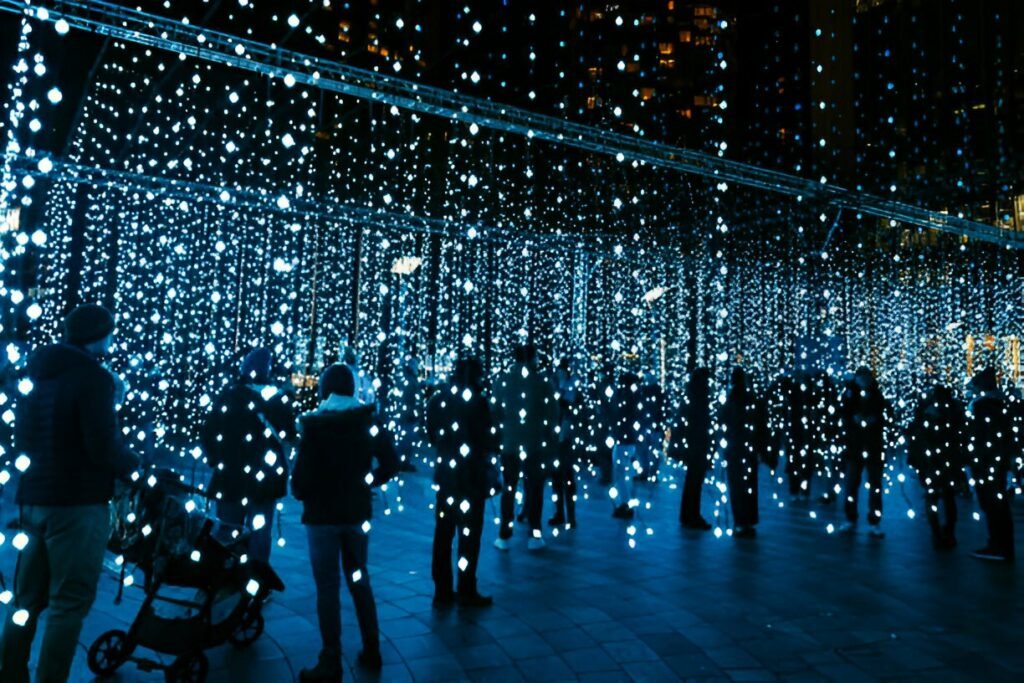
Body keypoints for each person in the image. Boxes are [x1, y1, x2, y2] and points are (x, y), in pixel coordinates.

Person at [0, 304, 138, 683]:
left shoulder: (39, 373)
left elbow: (23, 438)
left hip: (35, 500)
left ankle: (10, 673)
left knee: (26, 600)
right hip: (77, 504)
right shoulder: (93, 377)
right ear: (98, 334)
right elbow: (101, 446)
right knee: (68, 603)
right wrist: (134, 465)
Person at [292, 364, 400, 681]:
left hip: (322, 519)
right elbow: (392, 462)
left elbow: (298, 484)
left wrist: (309, 492)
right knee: (359, 580)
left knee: (327, 588)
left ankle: (331, 660)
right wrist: (368, 482)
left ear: (324, 389)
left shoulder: (314, 426)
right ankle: (372, 648)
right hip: (356, 516)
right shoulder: (367, 421)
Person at [201, 348, 296, 563]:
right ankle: (255, 581)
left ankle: (225, 579)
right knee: (259, 533)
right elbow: (289, 433)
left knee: (227, 530)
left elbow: (208, 432)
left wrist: (217, 459)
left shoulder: (229, 395)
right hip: (265, 479)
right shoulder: (277, 400)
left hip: (230, 476)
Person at [426, 357, 497, 608]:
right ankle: (466, 588)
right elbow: (489, 441)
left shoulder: (438, 400)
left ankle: (442, 589)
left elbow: (431, 434)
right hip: (471, 480)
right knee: (469, 535)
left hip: (447, 478)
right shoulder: (478, 403)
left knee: (443, 534)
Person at [493, 344, 559, 550]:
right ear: (531, 359)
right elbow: (553, 413)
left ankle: (504, 534)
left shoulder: (502, 381)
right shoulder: (541, 382)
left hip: (509, 444)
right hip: (534, 445)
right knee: (535, 489)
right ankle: (535, 535)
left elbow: (494, 412)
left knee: (509, 488)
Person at [907, 382, 965, 550]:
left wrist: (915, 459)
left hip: (930, 461)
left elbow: (916, 437)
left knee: (933, 497)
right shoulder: (953, 411)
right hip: (947, 460)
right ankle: (948, 533)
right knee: (948, 497)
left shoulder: (925, 411)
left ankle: (937, 534)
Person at [965, 368, 1014, 561]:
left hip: (987, 464)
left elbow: (980, 438)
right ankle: (1003, 546)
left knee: (992, 505)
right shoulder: (1001, 405)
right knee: (998, 505)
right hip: (996, 463)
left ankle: (997, 546)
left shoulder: (983, 408)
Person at [838, 367, 888, 537]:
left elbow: (885, 415)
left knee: (873, 484)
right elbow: (842, 413)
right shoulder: (850, 394)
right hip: (856, 446)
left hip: (872, 447)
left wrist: (874, 419)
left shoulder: (876, 394)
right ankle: (851, 518)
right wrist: (853, 419)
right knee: (852, 484)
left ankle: (873, 521)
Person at [721, 367, 767, 538]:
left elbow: (723, 421)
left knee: (737, 486)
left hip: (735, 449)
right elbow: (760, 423)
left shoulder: (731, 399)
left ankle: (740, 522)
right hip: (749, 450)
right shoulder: (751, 399)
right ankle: (748, 521)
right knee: (748, 486)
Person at [670, 367, 714, 530]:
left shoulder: (691, 395)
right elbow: (700, 423)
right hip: (698, 445)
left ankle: (688, 515)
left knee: (692, 482)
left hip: (693, 446)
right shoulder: (700, 397)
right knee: (695, 482)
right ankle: (692, 516)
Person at [549, 358, 581, 529]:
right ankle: (560, 513)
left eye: (563, 371)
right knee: (556, 478)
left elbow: (570, 404)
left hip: (565, 442)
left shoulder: (569, 391)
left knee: (567, 478)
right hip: (556, 441)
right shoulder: (555, 388)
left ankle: (571, 516)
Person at [609, 371, 643, 519]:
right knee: (624, 474)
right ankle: (625, 504)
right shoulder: (635, 397)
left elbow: (616, 414)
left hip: (623, 440)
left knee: (620, 475)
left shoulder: (624, 397)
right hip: (629, 440)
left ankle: (625, 505)